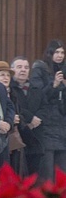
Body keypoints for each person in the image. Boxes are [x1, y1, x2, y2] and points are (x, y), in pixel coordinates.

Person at [29, 40, 66, 181]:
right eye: (56, 52)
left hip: (61, 126)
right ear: (50, 53)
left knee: (61, 174)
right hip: (46, 127)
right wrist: (54, 85)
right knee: (47, 174)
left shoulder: (63, 71)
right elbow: (37, 97)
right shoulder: (40, 69)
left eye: (62, 52)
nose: (60, 55)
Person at [0, 61, 28, 176]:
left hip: (13, 137)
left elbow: (20, 111)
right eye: (2, 75)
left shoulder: (13, 93)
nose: (6, 78)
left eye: (8, 75)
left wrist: (17, 118)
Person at [10, 56, 43, 176]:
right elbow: (14, 107)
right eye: (19, 67)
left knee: (34, 177)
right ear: (12, 69)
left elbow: (44, 106)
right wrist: (30, 118)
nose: (23, 70)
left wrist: (37, 119)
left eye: (26, 67)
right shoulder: (9, 88)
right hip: (17, 136)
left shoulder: (36, 88)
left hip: (36, 135)